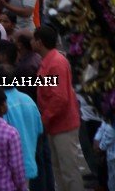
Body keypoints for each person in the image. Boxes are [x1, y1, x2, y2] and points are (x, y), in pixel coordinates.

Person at [32, 24, 84, 190]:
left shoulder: (56, 63)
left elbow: (59, 98)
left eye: (33, 39)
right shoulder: (48, 61)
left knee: (69, 170)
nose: (31, 42)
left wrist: (44, 119)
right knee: (58, 170)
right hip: (54, 123)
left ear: (39, 42)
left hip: (62, 123)